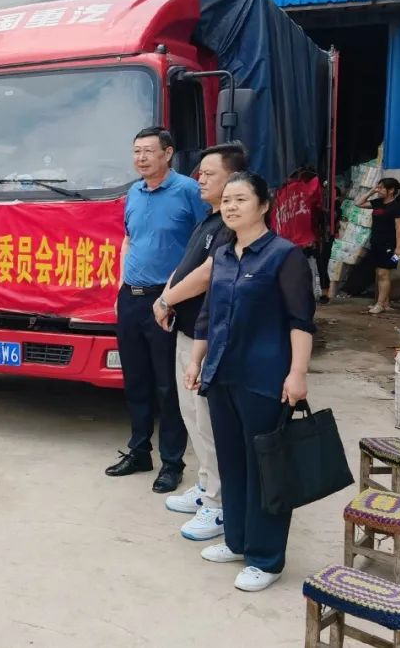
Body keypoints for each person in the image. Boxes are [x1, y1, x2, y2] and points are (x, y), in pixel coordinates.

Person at [184, 172, 316, 593]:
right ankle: (238, 541)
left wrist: (297, 373)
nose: (231, 206)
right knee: (233, 463)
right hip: (221, 376)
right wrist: (196, 361)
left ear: (263, 205)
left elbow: (300, 320)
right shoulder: (224, 254)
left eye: (241, 199)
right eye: (227, 200)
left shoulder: (284, 256)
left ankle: (266, 558)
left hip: (264, 378)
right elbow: (208, 316)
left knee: (265, 468)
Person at [152, 143, 247, 542]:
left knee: (209, 423)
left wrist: (166, 299)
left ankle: (220, 505)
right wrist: (167, 294)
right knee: (192, 416)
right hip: (187, 331)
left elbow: (208, 274)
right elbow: (186, 264)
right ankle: (207, 485)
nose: (200, 179)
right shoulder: (208, 219)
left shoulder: (231, 226)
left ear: (234, 179)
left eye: (209, 174)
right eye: (200, 173)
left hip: (208, 339)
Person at [106, 127, 206, 494]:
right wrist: (121, 285)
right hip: (131, 299)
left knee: (168, 386)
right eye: (136, 151)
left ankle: (172, 463)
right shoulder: (134, 192)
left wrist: (173, 296)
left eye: (148, 151)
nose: (141, 157)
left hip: (168, 301)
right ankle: (138, 451)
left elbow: (203, 245)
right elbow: (128, 240)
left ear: (168, 153)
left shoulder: (188, 191)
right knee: (136, 380)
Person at [356, 177, 400, 314]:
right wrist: (372, 191)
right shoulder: (378, 202)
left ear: (391, 190)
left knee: (383, 274)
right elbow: (358, 203)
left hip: (389, 245)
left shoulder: (398, 207)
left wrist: (399, 248)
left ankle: (379, 304)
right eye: (378, 187)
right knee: (380, 274)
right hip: (376, 243)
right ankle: (385, 303)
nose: (378, 190)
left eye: (381, 188)